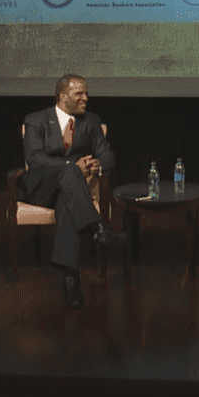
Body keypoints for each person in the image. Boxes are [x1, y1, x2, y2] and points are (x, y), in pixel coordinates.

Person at [20, 74, 124, 309]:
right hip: (40, 187)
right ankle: (97, 227)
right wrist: (71, 166)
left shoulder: (91, 121)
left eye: (86, 93)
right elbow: (35, 159)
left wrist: (99, 163)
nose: (85, 98)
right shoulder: (37, 120)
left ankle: (70, 279)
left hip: (71, 194)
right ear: (62, 95)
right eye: (79, 94)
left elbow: (107, 154)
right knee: (69, 171)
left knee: (68, 204)